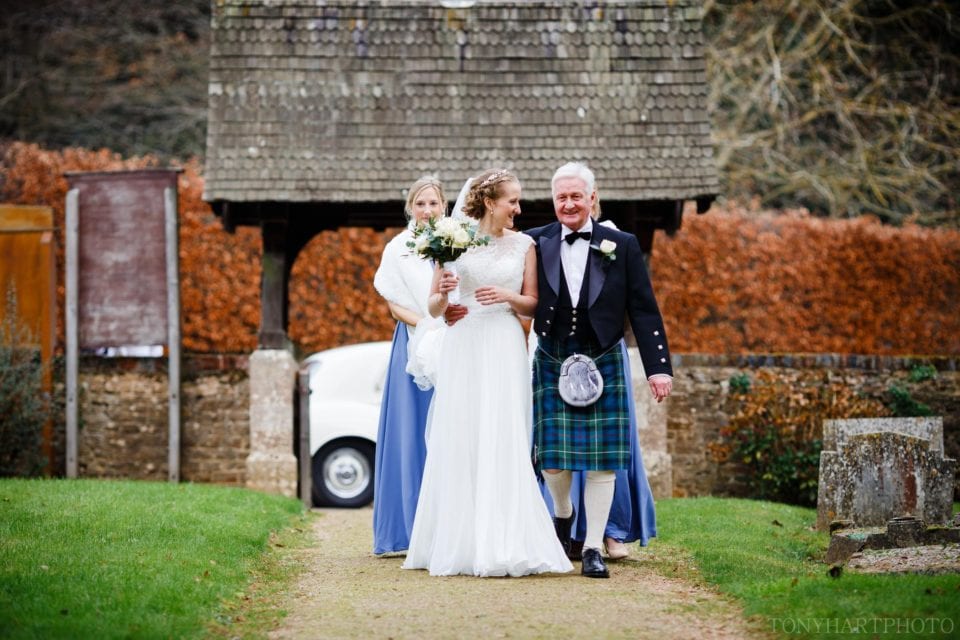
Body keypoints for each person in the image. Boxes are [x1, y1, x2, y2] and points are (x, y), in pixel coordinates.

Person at [402, 169, 573, 577]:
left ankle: (507, 538)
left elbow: (533, 303)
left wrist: (508, 297)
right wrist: (446, 300)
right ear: (490, 202)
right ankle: (459, 540)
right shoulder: (450, 242)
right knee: (462, 433)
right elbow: (433, 307)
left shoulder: (525, 245)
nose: (519, 207)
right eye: (512, 200)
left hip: (502, 342)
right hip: (463, 342)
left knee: (505, 432)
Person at [527, 162, 673, 579]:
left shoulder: (621, 244)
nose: (569, 204)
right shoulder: (534, 242)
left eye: (576, 196)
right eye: (561, 197)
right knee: (552, 458)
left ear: (592, 197)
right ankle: (562, 514)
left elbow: (644, 309)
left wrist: (658, 368)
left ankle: (593, 547)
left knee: (602, 461)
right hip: (553, 356)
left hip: (604, 355)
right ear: (553, 200)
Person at [371, 176, 448, 555]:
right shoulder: (397, 248)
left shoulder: (456, 242)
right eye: (420, 204)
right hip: (413, 342)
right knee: (412, 432)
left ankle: (450, 524)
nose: (427, 211)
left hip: (454, 340)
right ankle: (407, 528)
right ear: (410, 208)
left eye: (433, 203)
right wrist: (427, 324)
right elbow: (393, 304)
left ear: (444, 206)